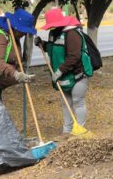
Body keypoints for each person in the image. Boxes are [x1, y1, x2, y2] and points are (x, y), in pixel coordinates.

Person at [35, 8, 89, 142]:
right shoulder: (54, 33)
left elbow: (74, 57)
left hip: (78, 75)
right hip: (63, 77)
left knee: (78, 102)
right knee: (66, 103)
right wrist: (42, 44)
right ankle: (66, 131)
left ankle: (80, 132)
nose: (51, 27)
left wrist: (59, 72)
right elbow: (54, 48)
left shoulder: (72, 34)